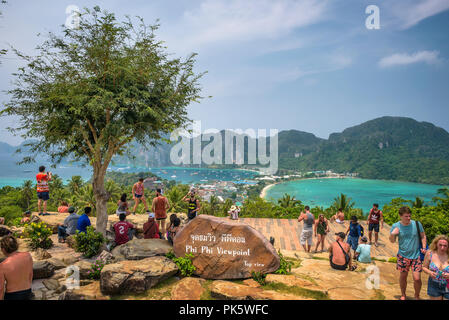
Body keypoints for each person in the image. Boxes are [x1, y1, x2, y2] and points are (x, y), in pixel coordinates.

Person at [389, 206, 427, 300]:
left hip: (416, 255)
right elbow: (392, 241)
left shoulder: (417, 224)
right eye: (406, 216)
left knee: (417, 279)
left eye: (409, 216)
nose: (408, 218)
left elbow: (423, 236)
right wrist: (393, 234)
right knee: (403, 276)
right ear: (400, 216)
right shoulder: (396, 225)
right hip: (403, 255)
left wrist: (423, 247)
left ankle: (417, 295)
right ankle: (403, 294)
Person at [0, 235, 33, 300]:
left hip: (12, 295)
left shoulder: (3, 265)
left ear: (3, 249)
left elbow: (1, 288)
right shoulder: (28, 255)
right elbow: (30, 274)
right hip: (27, 291)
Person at [422, 235, 449, 300]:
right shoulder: (429, 253)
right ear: (436, 244)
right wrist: (430, 272)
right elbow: (424, 267)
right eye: (440, 245)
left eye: (445, 246)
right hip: (433, 284)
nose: (442, 248)